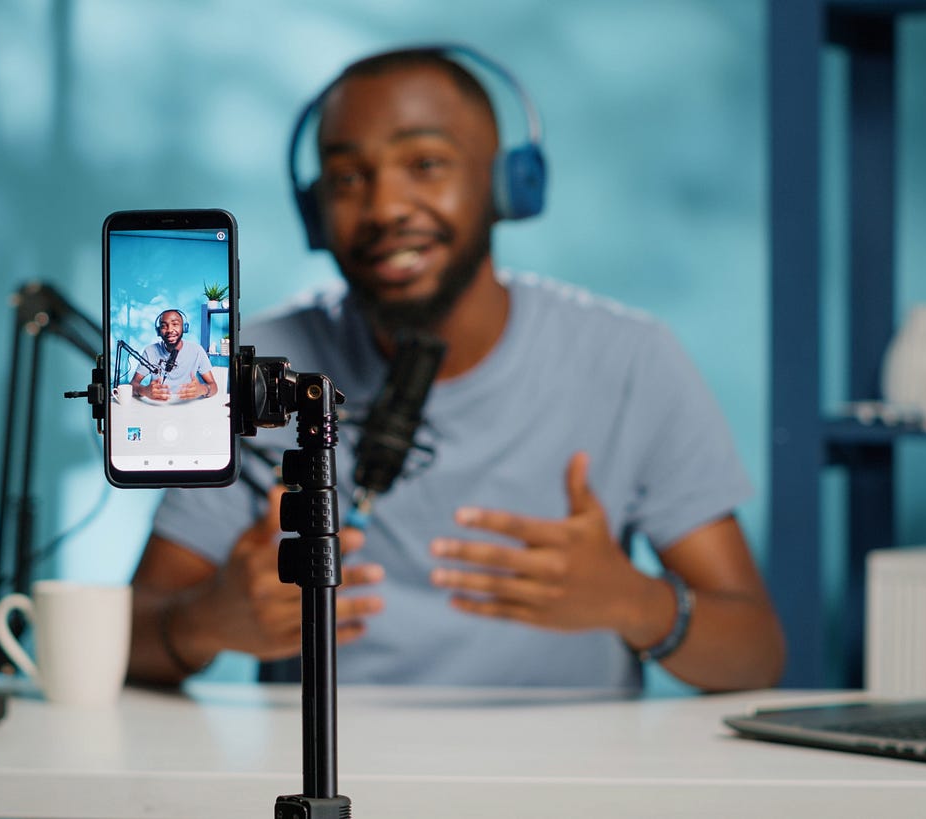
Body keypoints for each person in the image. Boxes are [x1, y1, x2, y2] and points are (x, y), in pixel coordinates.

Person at [125, 46, 785, 691]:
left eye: (426, 163)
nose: (385, 207)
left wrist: (638, 604)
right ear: (314, 211)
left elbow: (756, 654)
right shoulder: (249, 369)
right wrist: (204, 620)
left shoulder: (631, 359)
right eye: (349, 177)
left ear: (507, 186)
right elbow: (128, 639)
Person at [133, 308, 219, 402]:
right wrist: (144, 390)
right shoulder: (150, 351)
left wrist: (203, 389)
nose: (170, 330)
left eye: (175, 324)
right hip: (158, 405)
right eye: (164, 326)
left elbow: (213, 386)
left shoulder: (197, 350)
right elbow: (133, 384)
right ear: (158, 331)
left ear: (184, 328)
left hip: (187, 405)